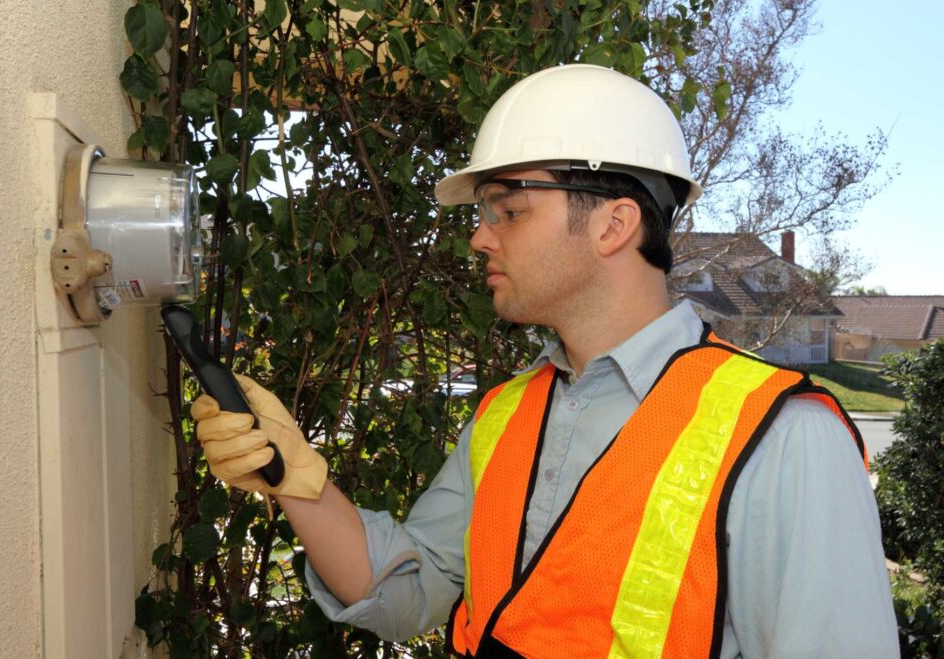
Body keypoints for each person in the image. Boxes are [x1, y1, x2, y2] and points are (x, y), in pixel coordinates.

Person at [192, 64, 898, 658]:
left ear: (613, 223)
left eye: (509, 210)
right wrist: (294, 478)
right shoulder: (508, 413)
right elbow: (407, 595)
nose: (480, 237)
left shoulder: (782, 434)